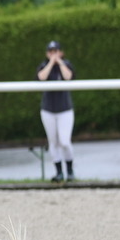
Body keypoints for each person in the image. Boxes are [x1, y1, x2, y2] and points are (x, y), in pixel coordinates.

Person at [36, 40, 76, 183]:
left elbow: (68, 76)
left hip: (65, 109)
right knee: (53, 142)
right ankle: (58, 172)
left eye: (56, 51)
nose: (53, 54)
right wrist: (51, 63)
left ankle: (70, 170)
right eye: (50, 51)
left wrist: (59, 62)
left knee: (65, 141)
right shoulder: (43, 66)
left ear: (61, 52)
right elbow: (41, 77)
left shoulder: (66, 64)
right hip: (48, 110)